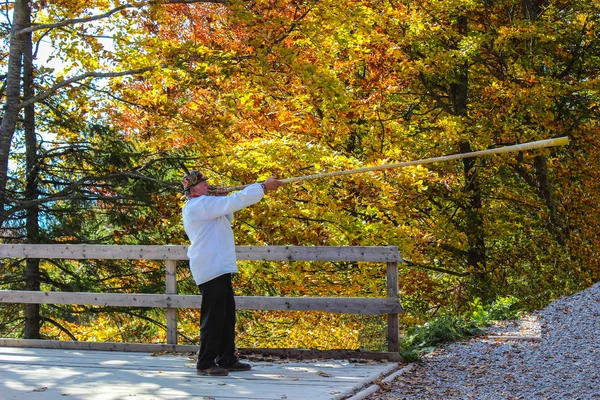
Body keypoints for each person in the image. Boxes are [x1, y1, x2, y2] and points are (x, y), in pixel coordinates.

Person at [181, 170, 285, 376]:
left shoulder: (207, 204)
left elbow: (226, 214)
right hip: (210, 267)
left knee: (226, 315)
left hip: (218, 266)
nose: (208, 186)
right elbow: (234, 202)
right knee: (213, 317)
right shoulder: (198, 205)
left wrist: (220, 197)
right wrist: (262, 187)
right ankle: (205, 362)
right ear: (193, 189)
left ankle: (226, 357)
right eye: (204, 184)